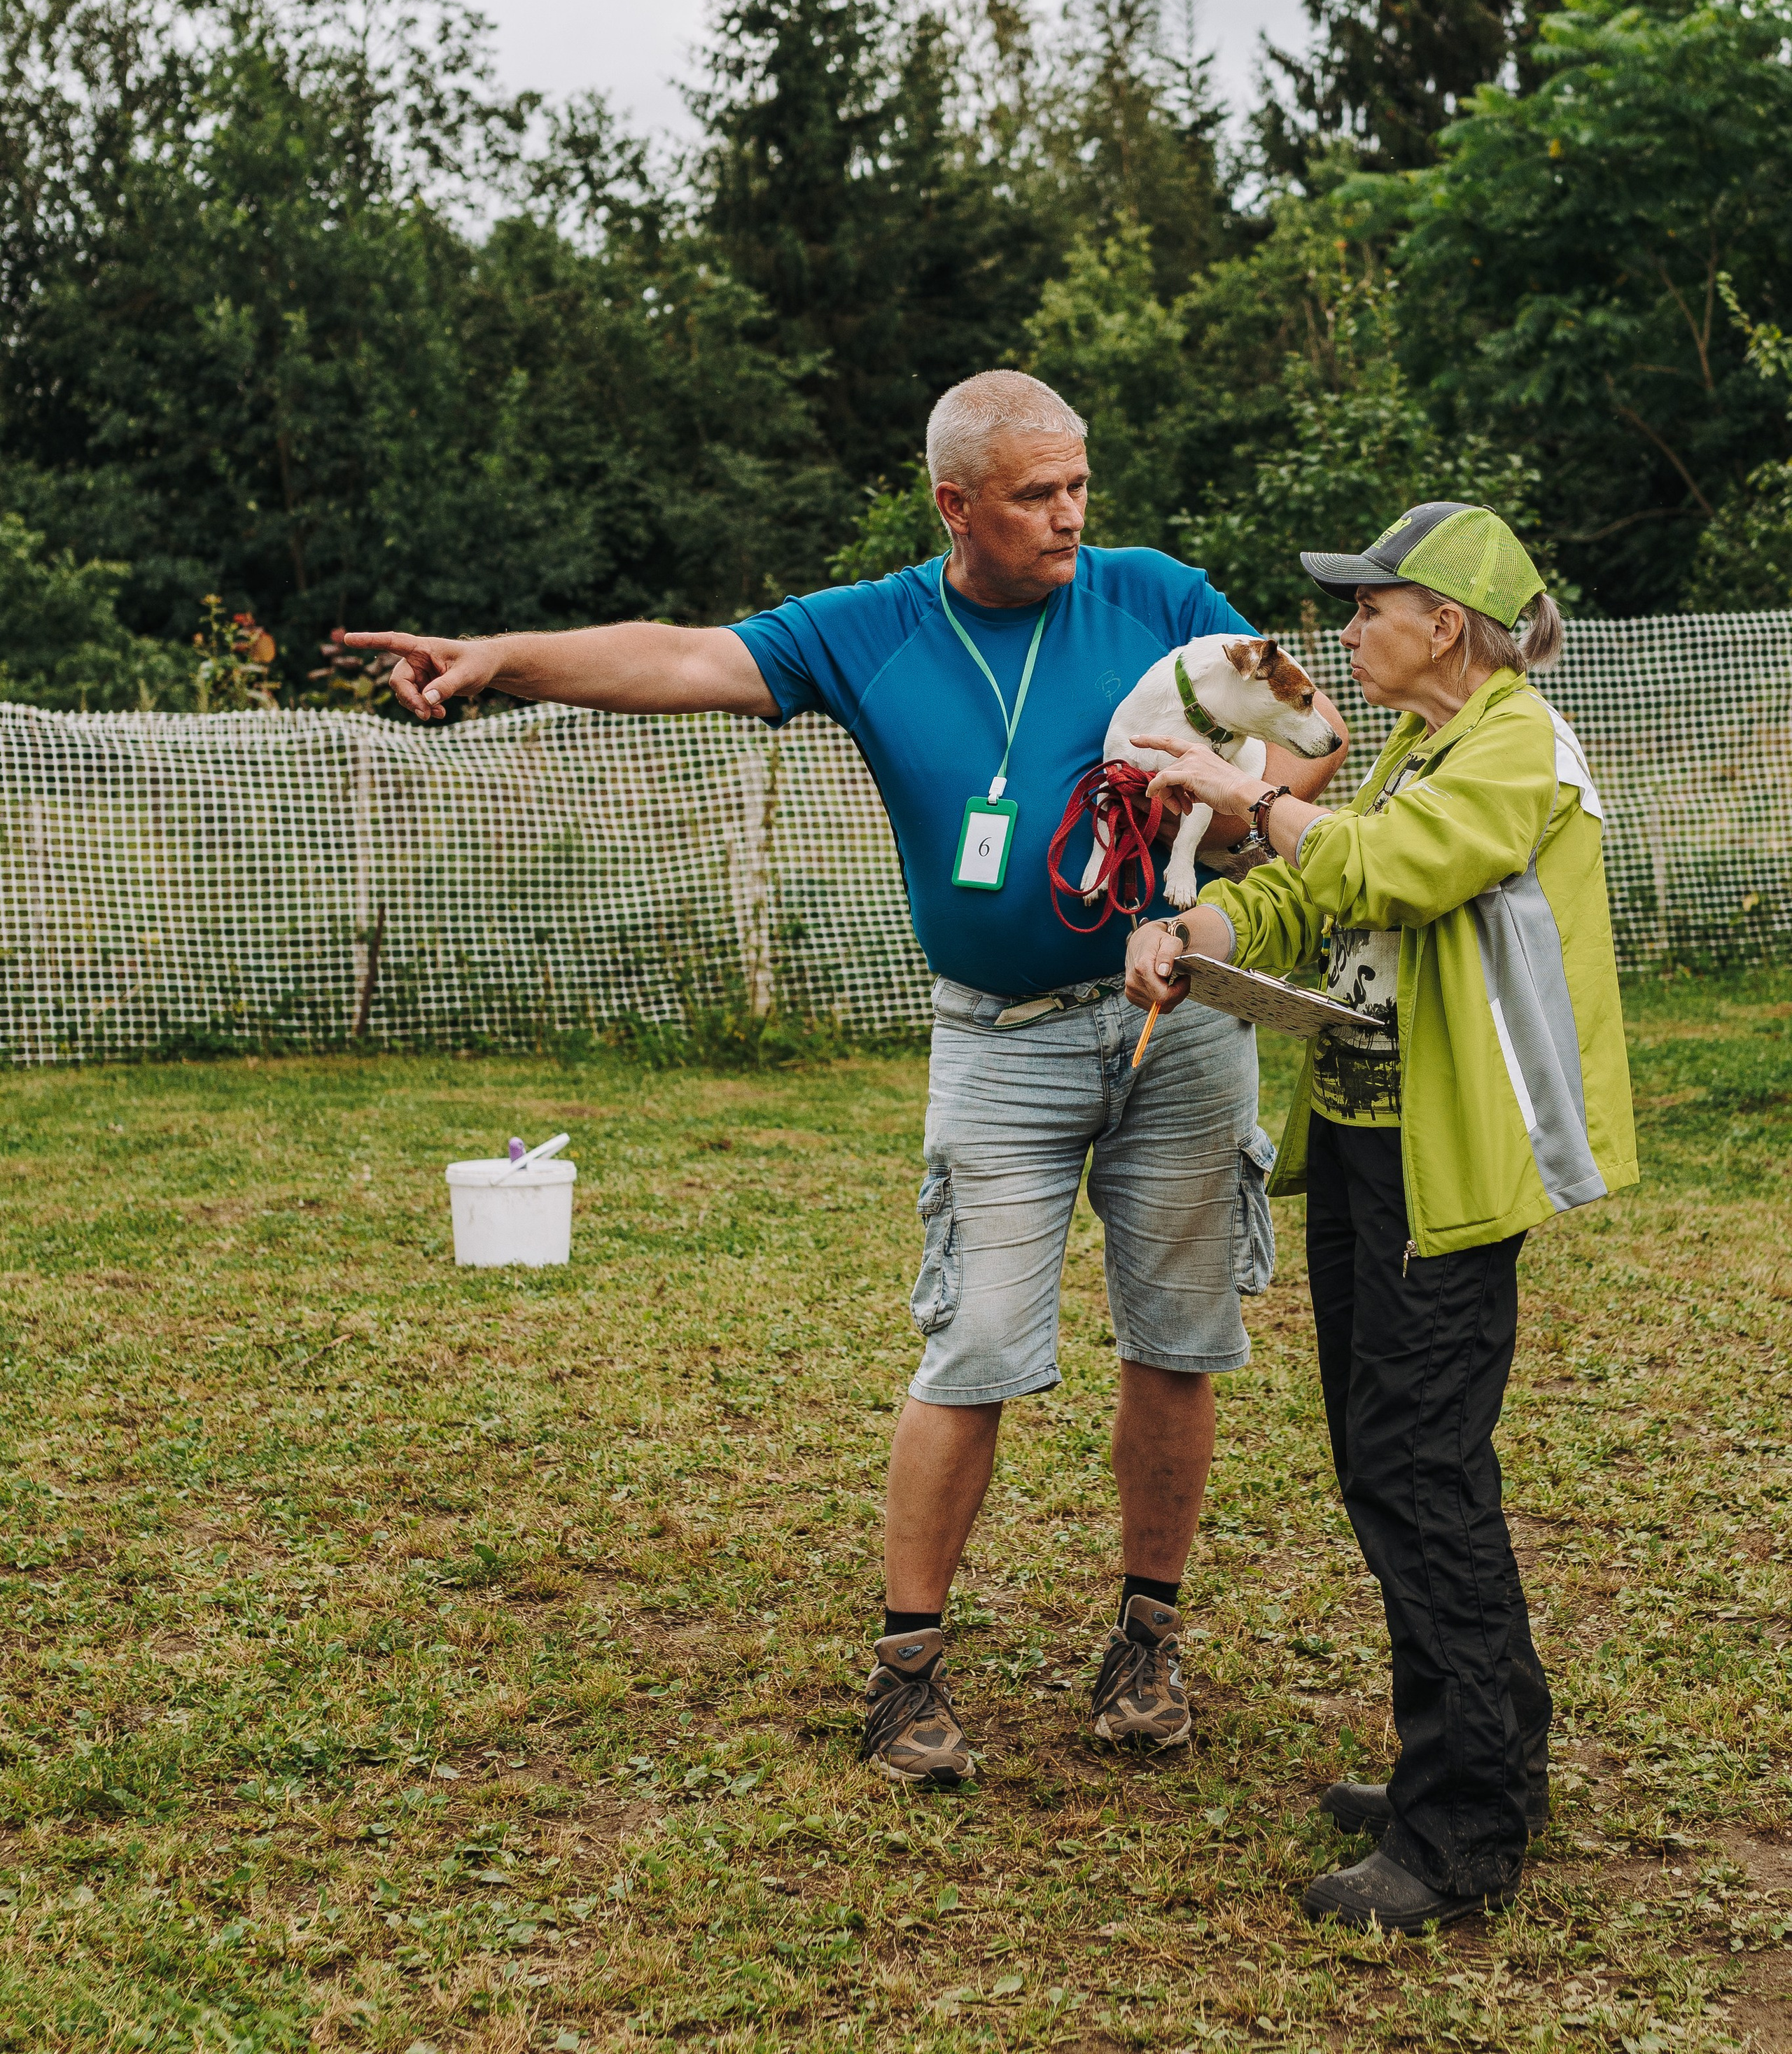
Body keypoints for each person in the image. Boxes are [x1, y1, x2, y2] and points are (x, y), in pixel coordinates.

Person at [349, 370, 1347, 1784]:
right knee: (975, 1344)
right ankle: (905, 1669)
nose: (1068, 515)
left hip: (1176, 1027)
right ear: (954, 502)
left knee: (1177, 1340)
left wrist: (1241, 820)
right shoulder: (870, 626)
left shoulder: (1157, 592)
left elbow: (1310, 738)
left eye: (1077, 485)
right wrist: (502, 653)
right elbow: (687, 659)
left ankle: (1144, 1641)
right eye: (1032, 494)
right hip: (996, 1042)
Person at [1124, 501, 1635, 1930]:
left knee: (1418, 1468)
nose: (1343, 632)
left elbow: (1398, 867)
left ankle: (1459, 1830)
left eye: (1366, 606)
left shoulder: (1512, 741)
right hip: (1360, 1142)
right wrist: (1200, 930)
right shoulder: (1421, 744)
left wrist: (1250, 805)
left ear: (1445, 626)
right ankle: (1479, 1755)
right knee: (1384, 1458)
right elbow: (1314, 897)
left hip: (1444, 1154)